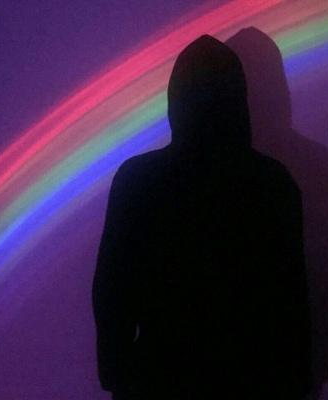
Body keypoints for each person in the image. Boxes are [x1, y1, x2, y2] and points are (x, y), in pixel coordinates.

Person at [92, 34, 312, 400]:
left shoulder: (138, 180)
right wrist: (297, 378)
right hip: (252, 379)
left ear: (176, 100)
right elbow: (291, 296)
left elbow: (112, 289)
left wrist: (115, 370)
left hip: (158, 377)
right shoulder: (273, 183)